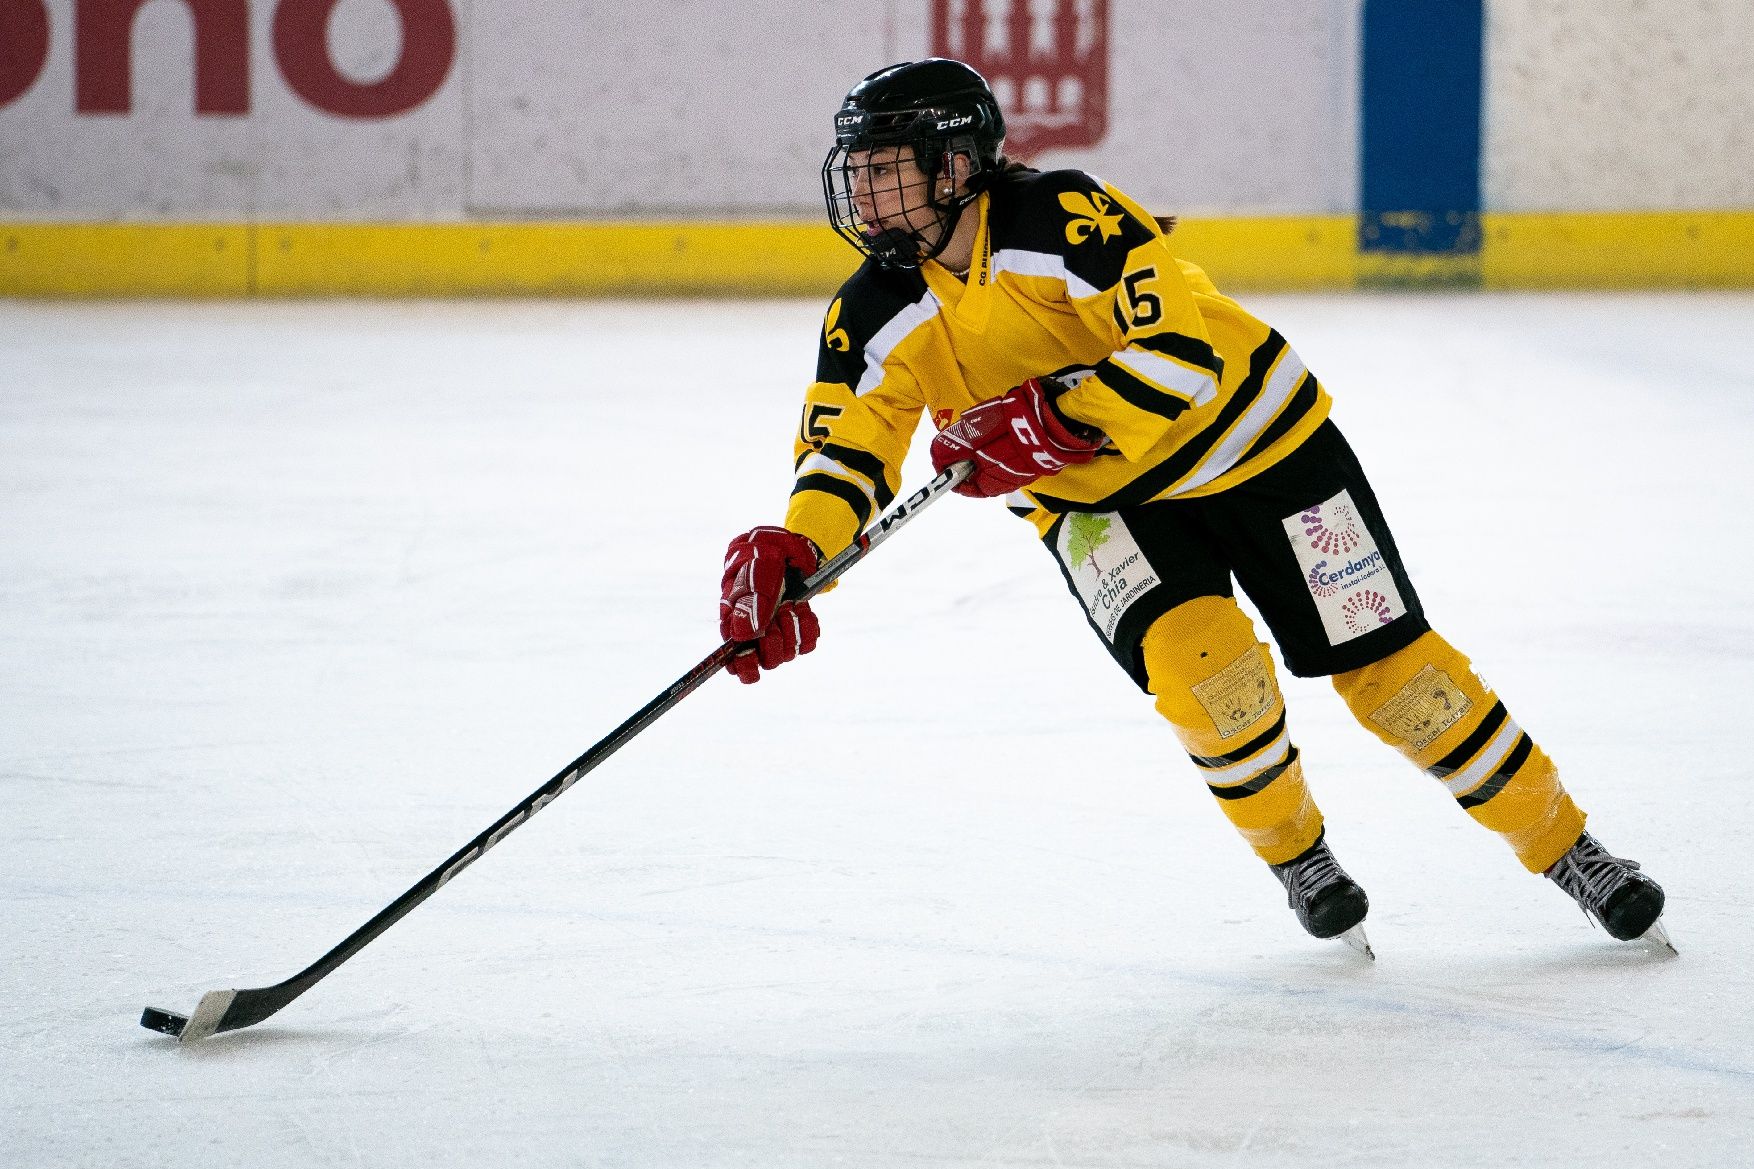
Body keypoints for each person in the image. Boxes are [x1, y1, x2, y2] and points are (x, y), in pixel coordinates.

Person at [717, 58, 1670, 953]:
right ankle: (1300, 857)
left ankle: (1569, 847)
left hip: (1263, 448)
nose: (866, 195)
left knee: (1401, 680)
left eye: (888, 171)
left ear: (957, 166)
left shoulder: (1067, 218)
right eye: (861, 172)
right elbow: (846, 448)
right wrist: (801, 550)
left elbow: (1178, 353)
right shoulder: (871, 308)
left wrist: (1057, 414)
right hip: (1104, 509)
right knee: (1204, 672)